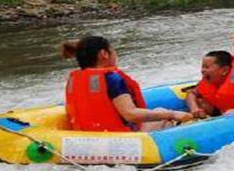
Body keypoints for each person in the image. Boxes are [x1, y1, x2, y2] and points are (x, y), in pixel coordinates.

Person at [60, 36, 192, 132]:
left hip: (87, 138)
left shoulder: (74, 79)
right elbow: (130, 114)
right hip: (122, 139)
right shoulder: (112, 79)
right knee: (161, 111)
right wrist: (171, 114)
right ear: (104, 54)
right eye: (113, 51)